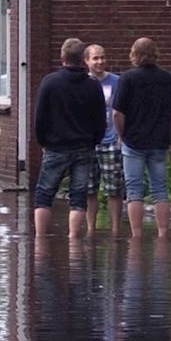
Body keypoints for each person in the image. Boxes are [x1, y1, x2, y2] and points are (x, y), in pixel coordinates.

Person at [32, 38, 107, 238]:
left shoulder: (50, 82)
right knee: (78, 196)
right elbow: (100, 118)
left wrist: (43, 141)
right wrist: (94, 140)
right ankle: (73, 238)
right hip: (84, 147)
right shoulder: (93, 86)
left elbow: (40, 116)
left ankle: (40, 237)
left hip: (55, 146)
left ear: (63, 57)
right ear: (83, 59)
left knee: (44, 194)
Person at [111, 37, 171, 239]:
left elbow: (117, 113)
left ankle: (137, 235)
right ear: (155, 53)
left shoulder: (127, 78)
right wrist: (167, 132)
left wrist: (122, 134)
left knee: (134, 190)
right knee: (160, 190)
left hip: (133, 142)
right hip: (158, 142)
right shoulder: (167, 78)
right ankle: (162, 234)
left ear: (134, 54)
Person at [83, 44, 124, 236]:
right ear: (86, 61)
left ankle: (115, 229)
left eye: (102, 57)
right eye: (95, 58)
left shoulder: (116, 82)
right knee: (90, 188)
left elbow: (122, 111)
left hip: (111, 140)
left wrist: (120, 136)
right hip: (89, 142)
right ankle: (91, 228)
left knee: (114, 188)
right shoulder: (82, 83)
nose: (100, 61)